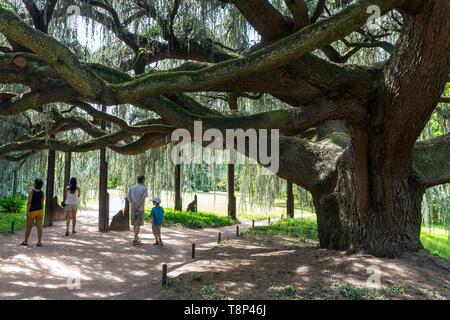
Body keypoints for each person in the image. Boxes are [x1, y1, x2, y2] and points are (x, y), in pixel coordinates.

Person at [21, 178, 45, 247]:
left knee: (28, 227)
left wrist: (27, 211)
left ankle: (25, 241)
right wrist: (42, 211)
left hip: (32, 211)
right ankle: (39, 242)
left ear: (35, 184)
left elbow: (29, 202)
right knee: (39, 227)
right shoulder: (42, 192)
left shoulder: (31, 191)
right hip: (40, 211)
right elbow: (42, 203)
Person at [127, 175, 148, 245]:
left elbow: (128, 196)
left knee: (134, 224)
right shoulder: (144, 188)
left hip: (133, 208)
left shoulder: (132, 187)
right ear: (143, 180)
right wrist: (138, 205)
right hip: (140, 208)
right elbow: (143, 198)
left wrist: (133, 204)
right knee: (138, 224)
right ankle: (135, 238)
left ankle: (136, 237)